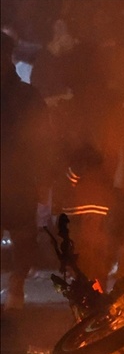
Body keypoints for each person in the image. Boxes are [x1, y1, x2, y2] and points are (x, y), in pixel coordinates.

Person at [1, 32, 55, 310]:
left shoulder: (27, 96)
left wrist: (44, 182)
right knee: (23, 237)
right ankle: (15, 291)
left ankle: (16, 290)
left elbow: (43, 142)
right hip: (19, 181)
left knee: (23, 237)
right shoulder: (28, 95)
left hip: (19, 181)